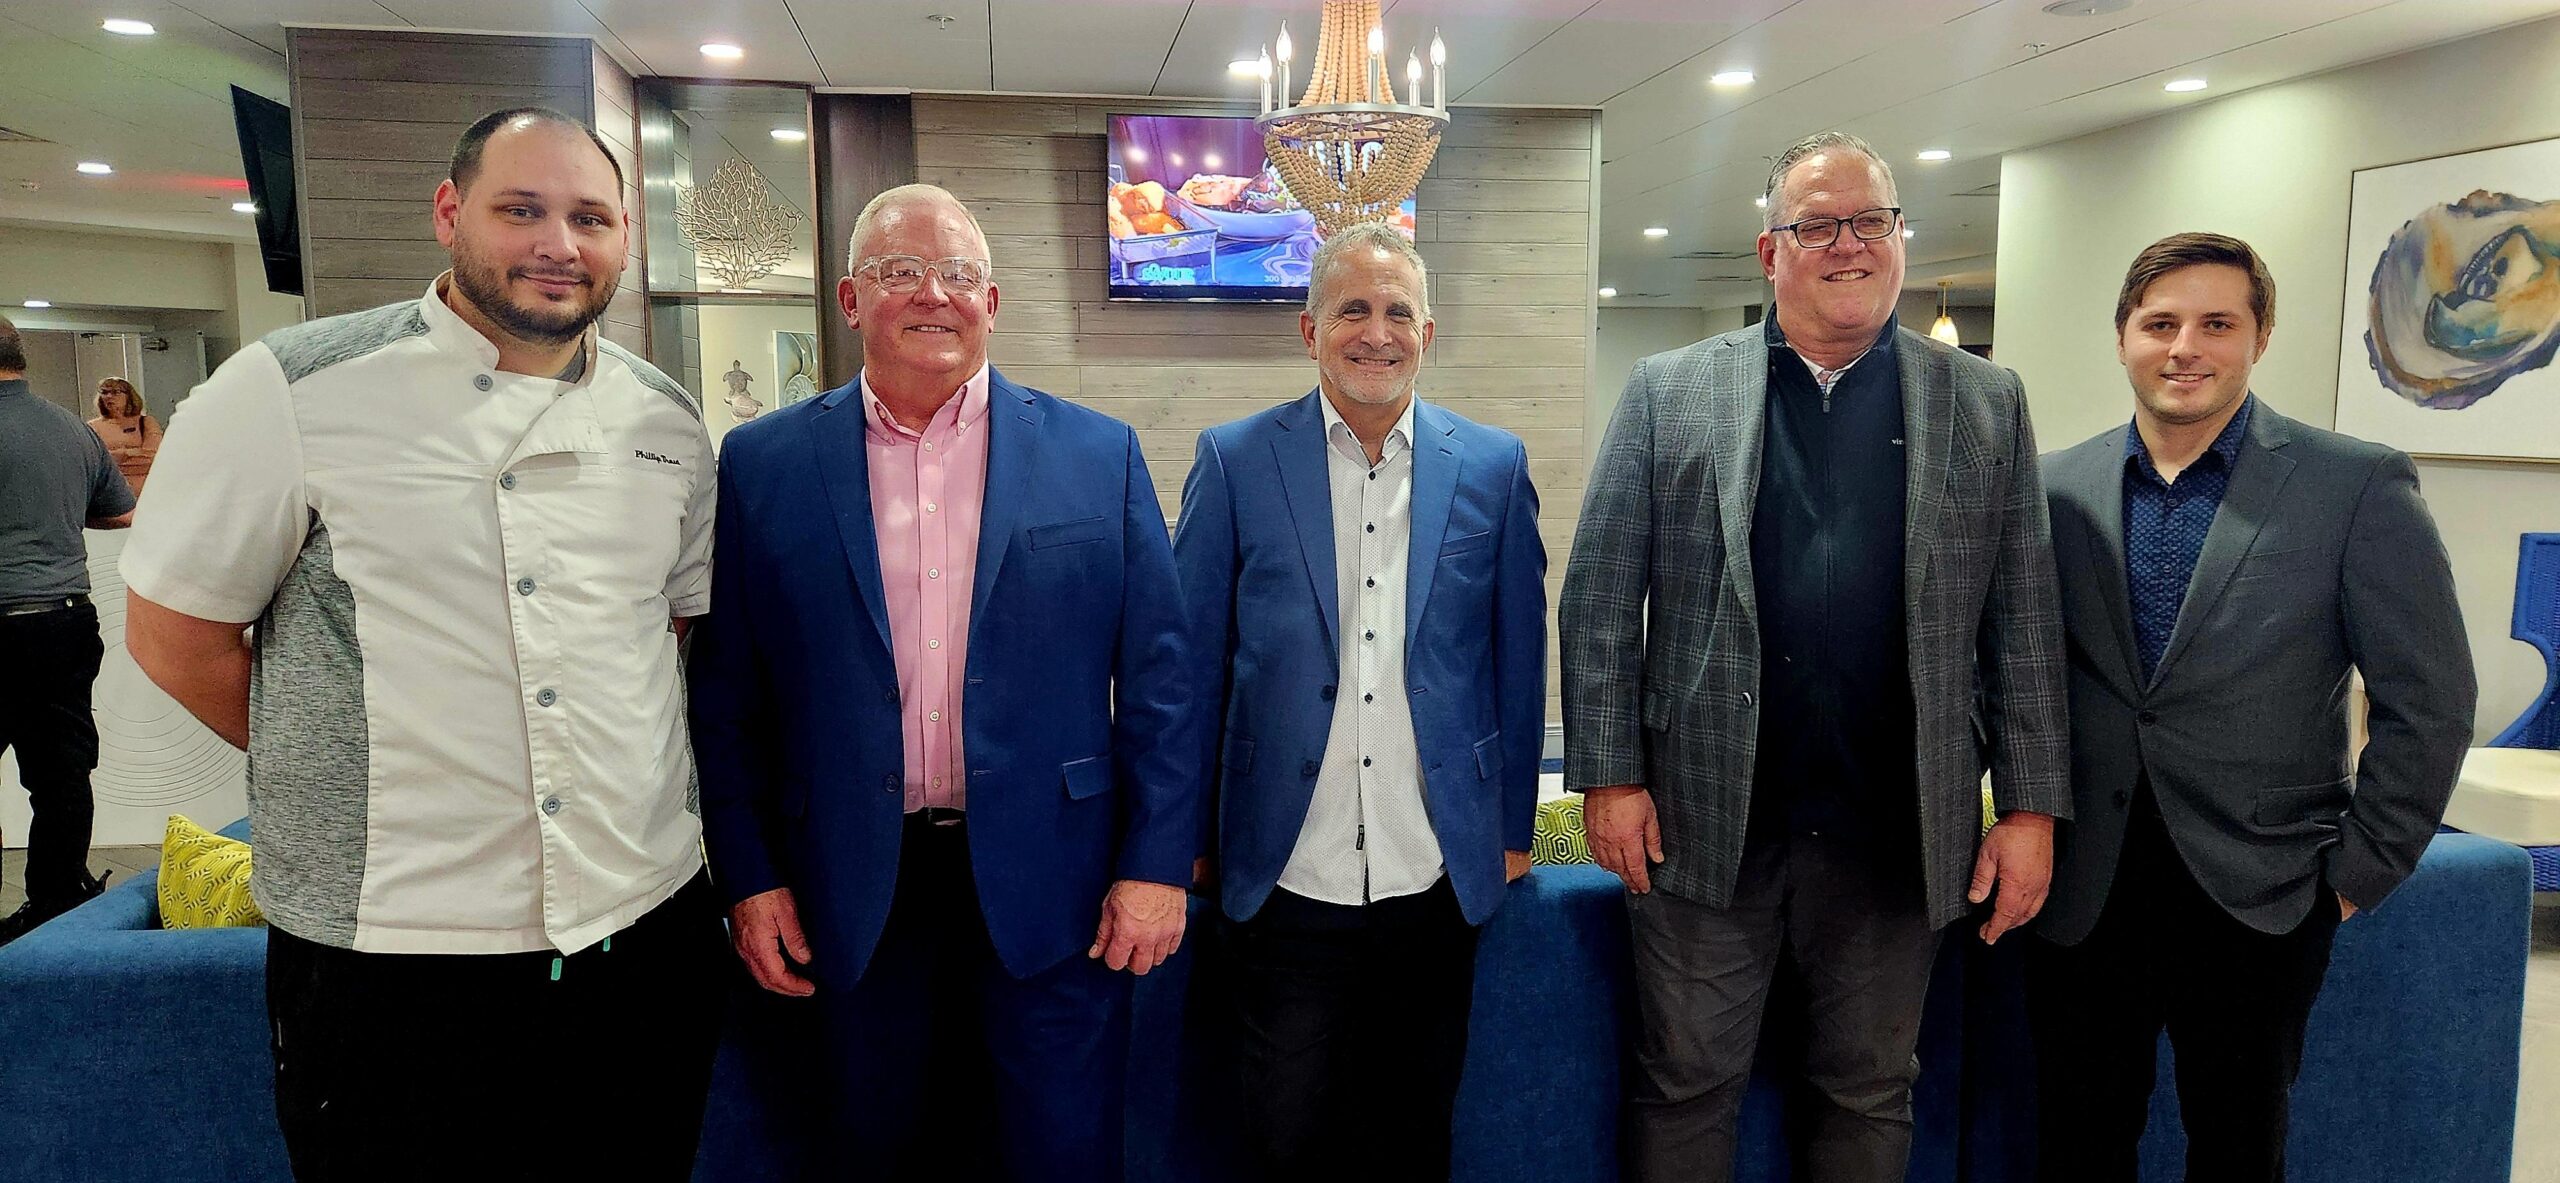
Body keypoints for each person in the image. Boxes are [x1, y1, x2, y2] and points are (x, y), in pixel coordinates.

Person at [118, 107, 725, 1180]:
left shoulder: (666, 420)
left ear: (626, 237)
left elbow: (669, 631)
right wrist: (353, 764)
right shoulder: (290, 388)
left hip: (640, 921)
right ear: (450, 212)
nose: (559, 244)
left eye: (591, 218)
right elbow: (175, 637)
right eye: (521, 210)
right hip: (390, 946)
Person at [1558, 129, 2072, 1181]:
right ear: (1770, 252)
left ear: (1899, 236)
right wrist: (1609, 775)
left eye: (1871, 221)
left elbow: (2021, 619)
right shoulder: (1668, 391)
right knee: (1685, 1081)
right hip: (1705, 822)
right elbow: (1602, 597)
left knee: (1869, 1090)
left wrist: (2028, 810)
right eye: (1818, 225)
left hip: (1895, 830)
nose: (1849, 244)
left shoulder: (1986, 401)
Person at [689, 183, 1195, 1181]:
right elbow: (728, 696)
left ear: (991, 302)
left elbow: (1162, 683)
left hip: (1057, 887)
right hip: (846, 889)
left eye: (958, 272)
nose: (933, 292)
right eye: (899, 270)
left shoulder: (1100, 453)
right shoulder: (762, 464)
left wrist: (1156, 865)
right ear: (849, 298)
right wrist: (748, 876)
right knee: (870, 1153)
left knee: (1059, 1154)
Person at [2028, 232, 2477, 1182]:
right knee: (2076, 1141)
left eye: (2217, 324)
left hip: (2264, 889)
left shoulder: (2354, 484)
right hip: (2085, 884)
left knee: (2238, 1148)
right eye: (2160, 323)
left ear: (2259, 338)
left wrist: (2356, 873)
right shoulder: (2052, 485)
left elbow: (2430, 700)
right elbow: (2017, 674)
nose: (2185, 347)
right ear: (2123, 337)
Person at [1171, 221, 1547, 1179]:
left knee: (1413, 1137)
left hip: (1433, 868)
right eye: (1352, 310)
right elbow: (1191, 665)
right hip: (1284, 866)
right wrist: (1188, 834)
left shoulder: (1495, 466)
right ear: (1310, 330)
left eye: (1397, 312)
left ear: (1428, 331)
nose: (1376, 333)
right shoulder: (1234, 459)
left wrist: (1509, 827)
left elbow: (1515, 658)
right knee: (1284, 1140)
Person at [0, 315, 133, 947]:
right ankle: (55, 913)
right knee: (61, 776)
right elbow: (119, 513)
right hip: (63, 622)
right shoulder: (73, 429)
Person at [85, 376, 160, 500]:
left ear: (129, 396)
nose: (109, 396)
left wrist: (119, 455)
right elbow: (94, 462)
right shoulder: (92, 427)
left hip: (147, 493)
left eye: (115, 392)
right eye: (104, 392)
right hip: (110, 495)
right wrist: (133, 453)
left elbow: (153, 456)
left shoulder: (146, 422)